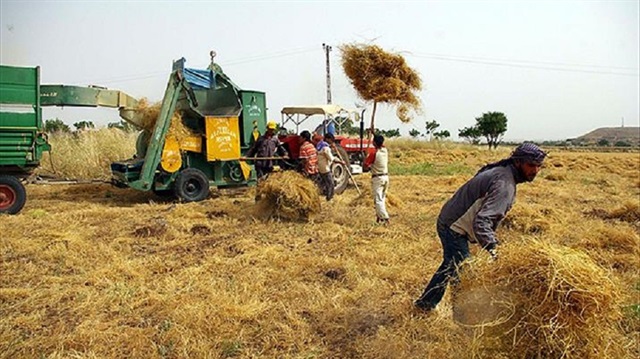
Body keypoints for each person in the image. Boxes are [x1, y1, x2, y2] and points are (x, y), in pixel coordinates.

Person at [414, 142, 547, 312]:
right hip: (454, 227)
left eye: (538, 166)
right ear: (518, 162)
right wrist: (494, 249)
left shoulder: (503, 172)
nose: (535, 171)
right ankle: (463, 318)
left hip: (449, 219)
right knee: (463, 274)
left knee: (450, 266)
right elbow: (482, 221)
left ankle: (425, 304)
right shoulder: (504, 184)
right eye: (531, 165)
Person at [363, 134, 389, 224]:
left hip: (377, 178)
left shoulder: (374, 153)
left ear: (374, 142)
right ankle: (379, 217)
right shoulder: (385, 151)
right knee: (382, 199)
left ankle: (385, 218)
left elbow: (365, 166)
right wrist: (373, 132)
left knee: (378, 200)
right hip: (386, 177)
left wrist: (365, 160)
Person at [316, 133, 337, 201]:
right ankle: (329, 198)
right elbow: (331, 158)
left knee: (323, 183)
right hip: (326, 168)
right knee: (331, 184)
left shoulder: (320, 145)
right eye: (331, 140)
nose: (332, 142)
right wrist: (341, 162)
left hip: (320, 167)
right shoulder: (326, 148)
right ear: (327, 139)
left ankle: (319, 195)